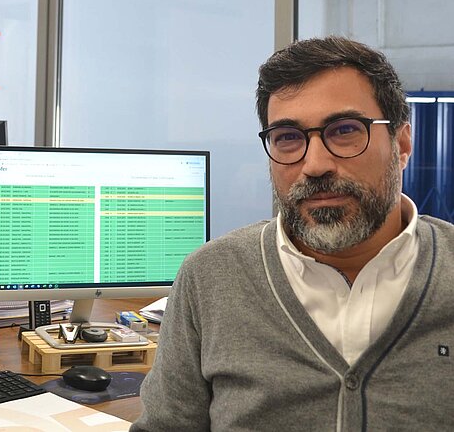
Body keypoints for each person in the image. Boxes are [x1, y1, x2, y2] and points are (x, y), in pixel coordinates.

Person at [131, 36, 454, 431]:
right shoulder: (211, 276)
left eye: (345, 130)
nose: (315, 165)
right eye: (287, 137)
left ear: (401, 144)